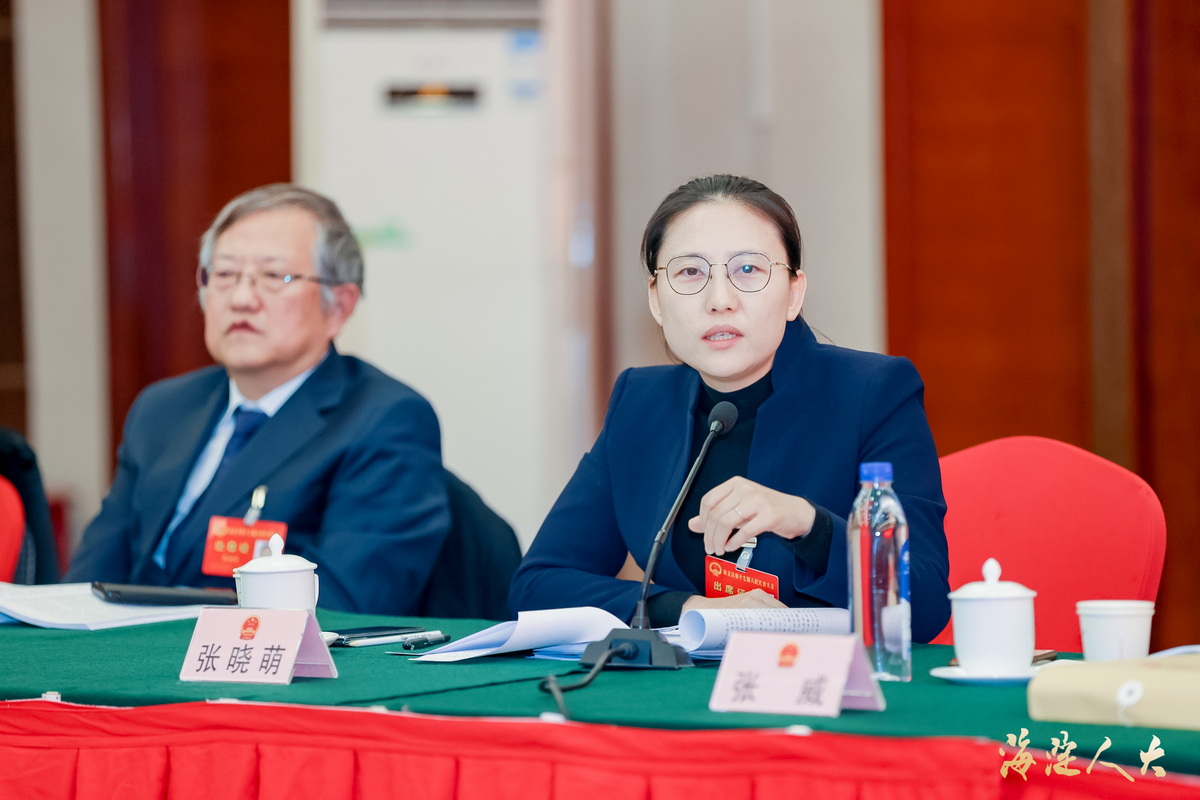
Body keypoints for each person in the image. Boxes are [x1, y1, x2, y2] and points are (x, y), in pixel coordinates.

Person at [509, 174, 950, 643]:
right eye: (690, 273)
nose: (720, 301)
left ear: (794, 292)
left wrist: (809, 524)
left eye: (748, 269)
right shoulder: (640, 402)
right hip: (684, 683)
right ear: (656, 300)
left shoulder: (873, 393)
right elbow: (536, 586)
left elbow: (923, 606)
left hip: (822, 682)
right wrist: (687, 609)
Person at [64, 184, 450, 615]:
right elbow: (86, 584)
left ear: (339, 307)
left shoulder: (383, 419)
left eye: (275, 277)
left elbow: (346, 605)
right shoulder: (163, 409)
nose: (242, 299)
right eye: (225, 275)